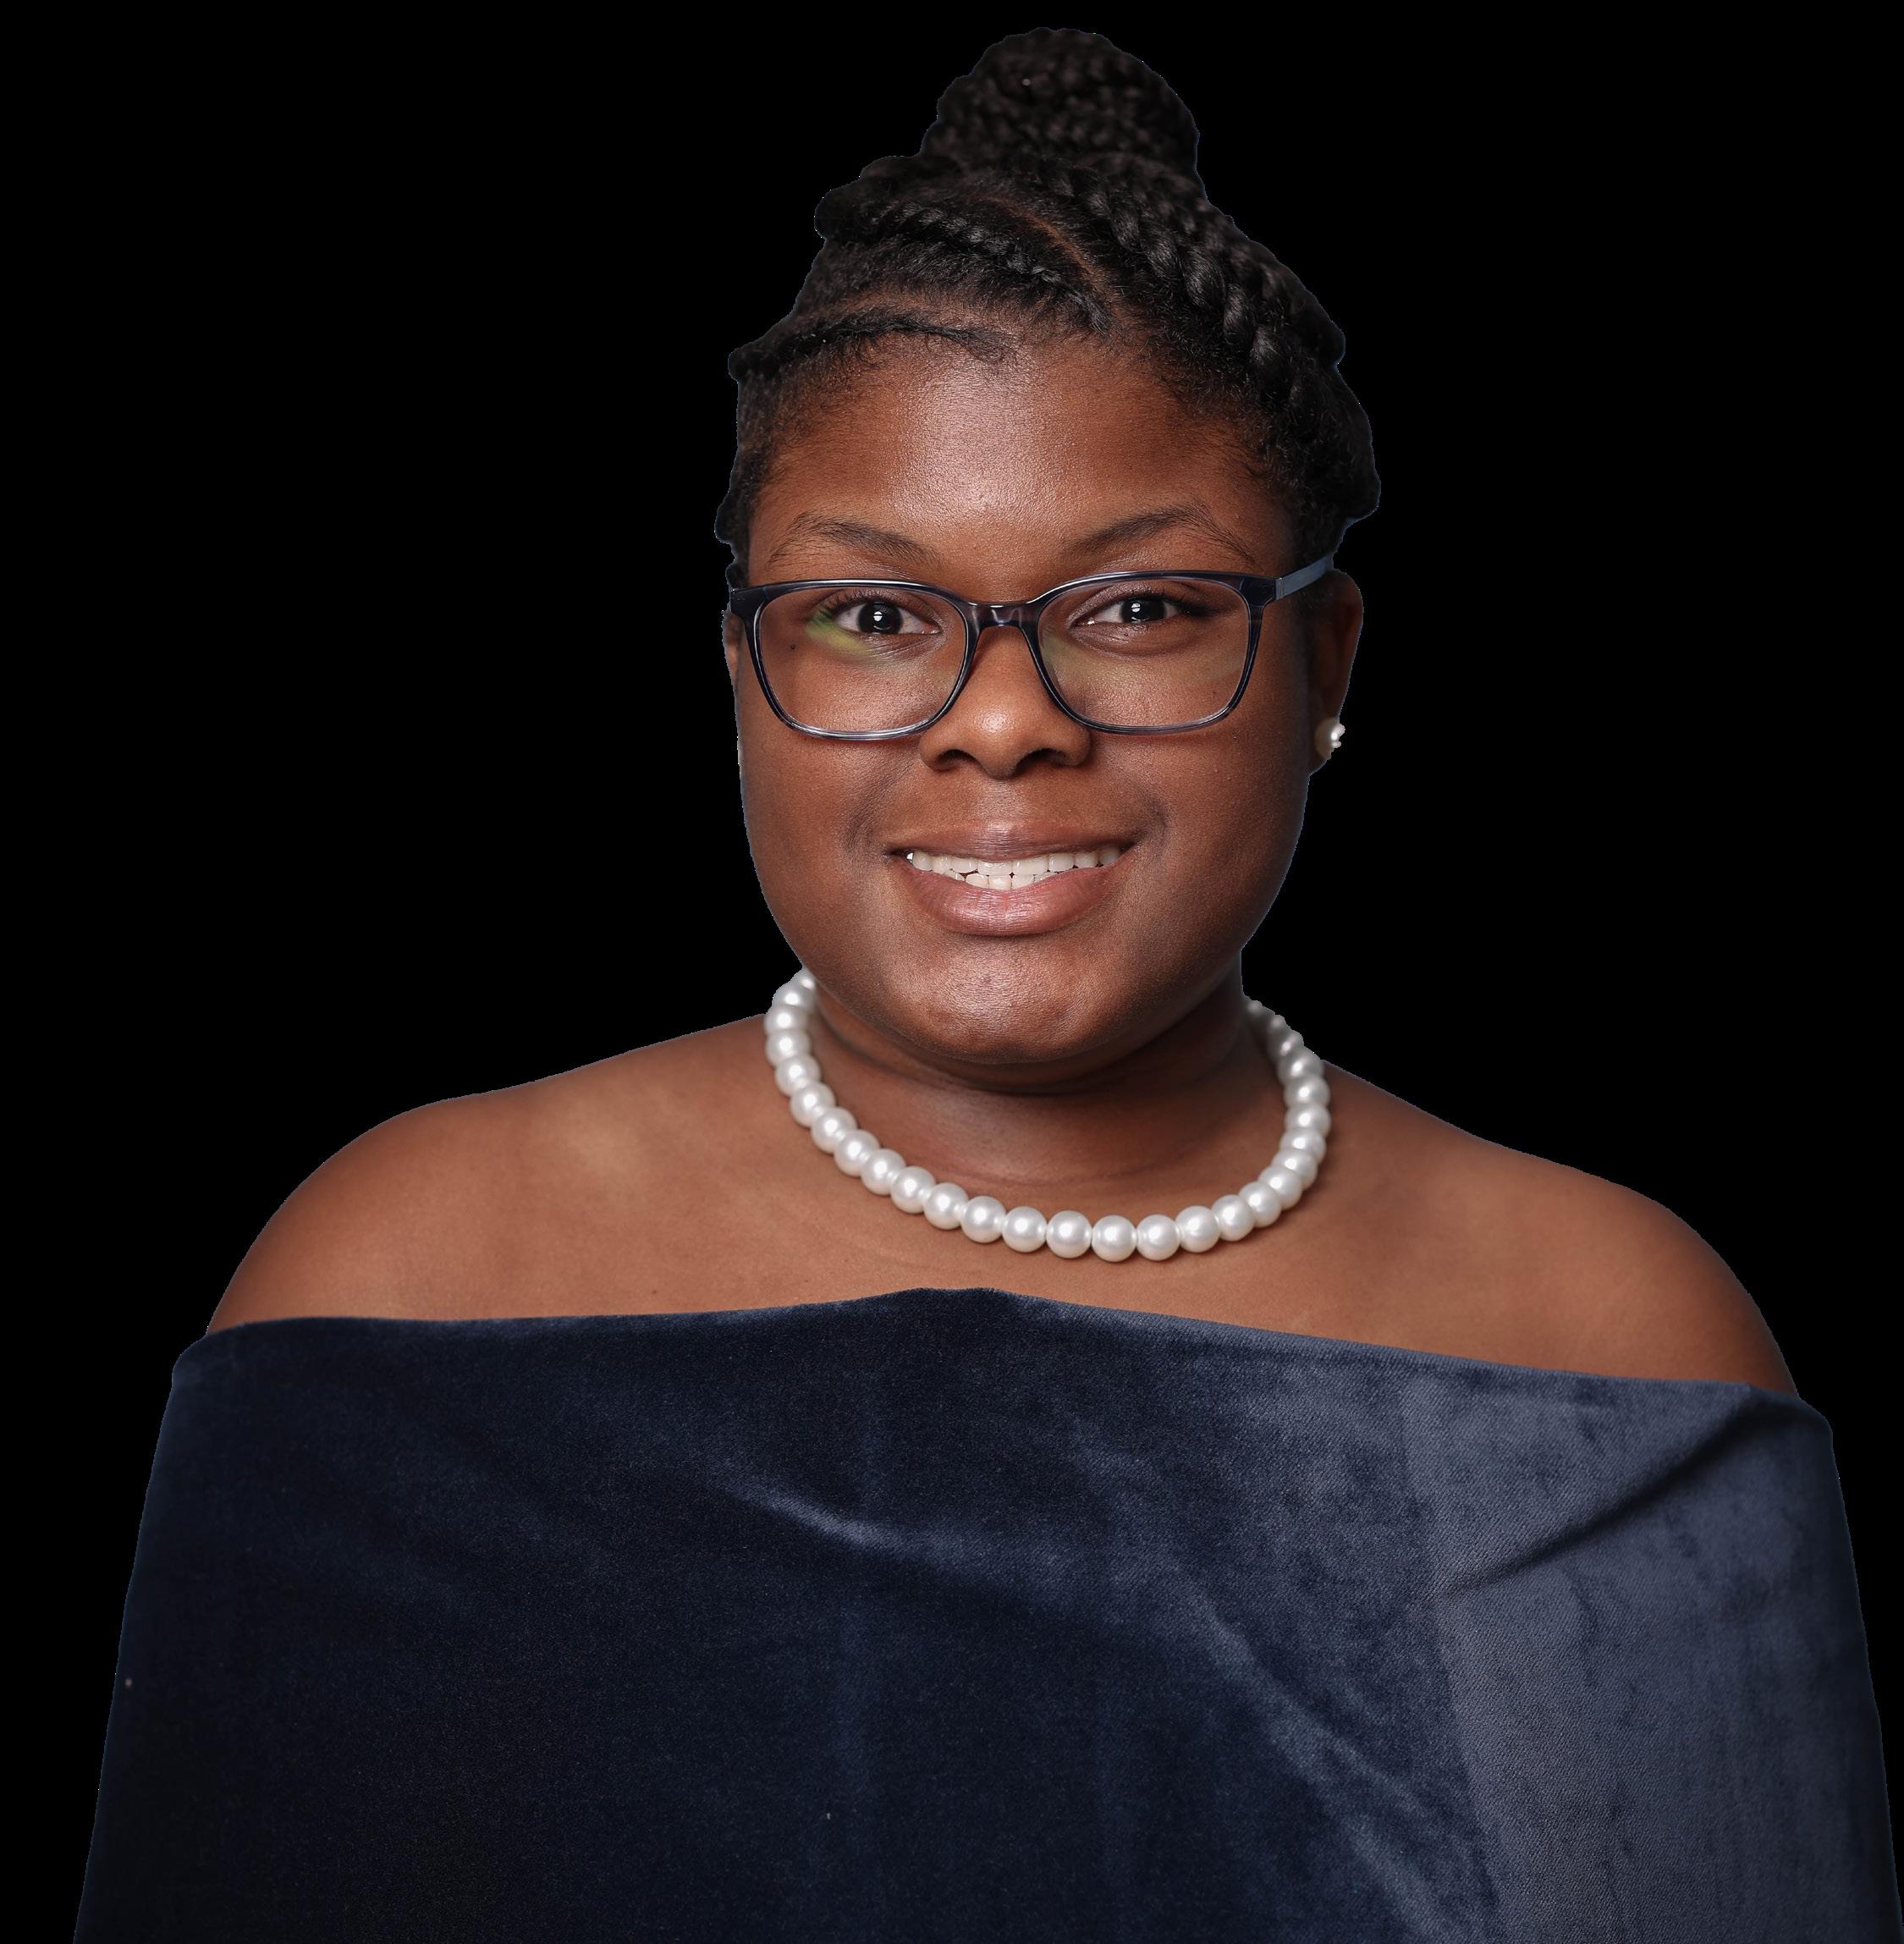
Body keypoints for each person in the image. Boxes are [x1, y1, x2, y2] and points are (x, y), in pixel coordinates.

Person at [78, 28, 1897, 1943]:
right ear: (741, 672)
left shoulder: (1607, 1336)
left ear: (1327, 664)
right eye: (873, 615)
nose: (1006, 721)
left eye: (1140, 608)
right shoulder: (411, 1277)